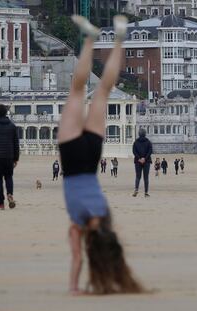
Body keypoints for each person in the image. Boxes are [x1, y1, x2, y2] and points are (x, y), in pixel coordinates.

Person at [57, 15, 142, 295]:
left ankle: (118, 37)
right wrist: (72, 287)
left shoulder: (105, 216)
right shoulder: (78, 225)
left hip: (91, 158)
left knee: (102, 91)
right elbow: (78, 256)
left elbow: (100, 234)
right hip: (71, 160)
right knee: (80, 90)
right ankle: (91, 37)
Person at [132, 128, 153, 197]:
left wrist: (139, 158)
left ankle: (136, 189)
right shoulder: (148, 142)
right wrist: (145, 158)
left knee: (138, 176)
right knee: (146, 177)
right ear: (145, 134)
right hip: (146, 161)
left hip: (138, 161)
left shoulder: (136, 142)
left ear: (139, 134)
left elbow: (134, 151)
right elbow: (150, 151)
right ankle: (146, 192)